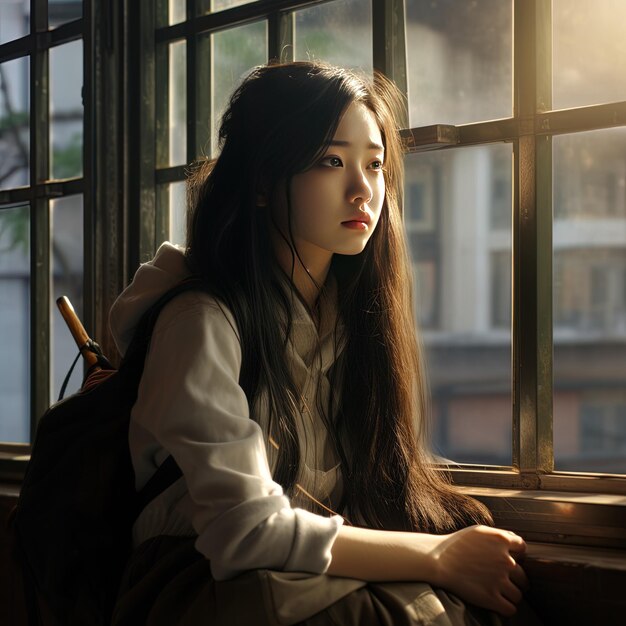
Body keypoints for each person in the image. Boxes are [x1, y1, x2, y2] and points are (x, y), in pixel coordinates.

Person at [110, 61, 536, 626]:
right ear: (263, 183)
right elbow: (243, 531)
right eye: (331, 161)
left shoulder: (348, 320)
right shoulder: (200, 320)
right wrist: (436, 556)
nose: (363, 189)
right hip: (194, 584)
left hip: (287, 577)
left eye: (375, 164)